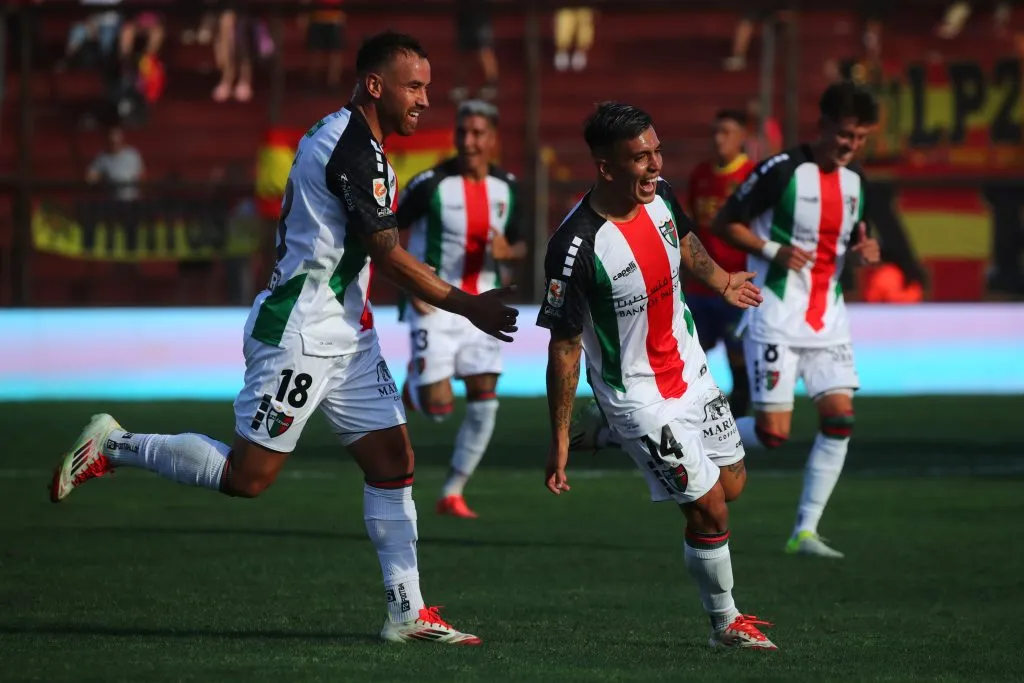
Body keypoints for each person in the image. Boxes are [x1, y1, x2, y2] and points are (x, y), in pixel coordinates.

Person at [49, 31, 520, 646]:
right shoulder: (352, 147)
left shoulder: (357, 139)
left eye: (428, 87)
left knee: (393, 463)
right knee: (249, 478)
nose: (425, 100)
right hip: (299, 332)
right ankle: (117, 446)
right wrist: (466, 305)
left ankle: (407, 611)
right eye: (415, 86)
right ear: (375, 85)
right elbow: (386, 250)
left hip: (348, 333)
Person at [538, 102, 776, 649]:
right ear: (605, 168)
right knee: (710, 509)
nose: (653, 165)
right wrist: (557, 439)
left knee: (733, 485)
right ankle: (726, 623)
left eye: (656, 151)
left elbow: (686, 243)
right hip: (637, 394)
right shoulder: (575, 248)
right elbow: (565, 347)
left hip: (690, 368)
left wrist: (721, 282)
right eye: (639, 157)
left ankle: (604, 436)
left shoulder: (662, 194)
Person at [710, 80, 881, 559]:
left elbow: (857, 238)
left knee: (840, 419)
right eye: (846, 134)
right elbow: (726, 220)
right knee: (772, 435)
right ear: (824, 125)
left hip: (829, 319)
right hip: (778, 318)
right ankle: (691, 433)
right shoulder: (782, 170)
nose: (852, 145)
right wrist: (771, 249)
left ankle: (805, 531)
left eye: (861, 138)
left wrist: (865, 251)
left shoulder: (857, 182)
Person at [397, 99, 526, 519]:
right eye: (462, 132)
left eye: (477, 133)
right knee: (438, 411)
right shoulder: (430, 184)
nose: (468, 141)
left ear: (493, 139)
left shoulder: (508, 187)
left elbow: (521, 242)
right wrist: (410, 281)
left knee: (485, 399)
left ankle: (452, 491)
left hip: (483, 304)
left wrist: (512, 250)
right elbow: (383, 232)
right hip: (434, 302)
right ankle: (417, 386)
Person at [685, 109, 756, 417]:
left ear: (743, 137)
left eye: (726, 132)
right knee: (690, 349)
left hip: (738, 280)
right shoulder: (700, 175)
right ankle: (691, 408)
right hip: (701, 283)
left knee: (736, 351)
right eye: (715, 131)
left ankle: (740, 412)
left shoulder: (752, 176)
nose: (718, 138)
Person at [86, 126, 144, 202]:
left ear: (122, 141)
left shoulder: (132, 155)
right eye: (112, 142)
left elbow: (142, 173)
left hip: (131, 200)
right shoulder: (103, 157)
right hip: (112, 201)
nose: (115, 145)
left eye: (117, 142)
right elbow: (91, 176)